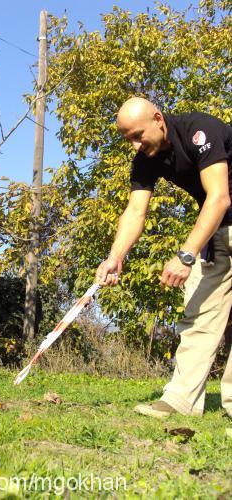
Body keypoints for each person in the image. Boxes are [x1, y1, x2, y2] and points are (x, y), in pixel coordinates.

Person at [96, 97, 232, 419]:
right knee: (198, 313)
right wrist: (116, 256)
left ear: (158, 119)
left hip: (219, 216)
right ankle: (180, 400)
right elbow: (135, 210)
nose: (134, 145)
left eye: (138, 135)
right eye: (127, 138)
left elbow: (219, 196)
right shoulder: (146, 158)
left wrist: (185, 255)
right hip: (217, 232)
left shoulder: (200, 130)